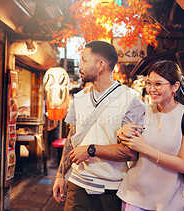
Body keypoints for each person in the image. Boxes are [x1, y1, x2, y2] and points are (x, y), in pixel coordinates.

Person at [52, 40, 145, 211]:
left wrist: (90, 150)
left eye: (84, 60)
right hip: (77, 184)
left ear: (100, 64)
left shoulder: (131, 101)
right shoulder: (79, 98)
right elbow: (72, 139)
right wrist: (60, 175)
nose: (80, 65)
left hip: (111, 190)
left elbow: (130, 152)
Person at [116, 60, 184, 211]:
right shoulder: (142, 111)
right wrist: (120, 133)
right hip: (134, 196)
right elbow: (128, 146)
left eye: (158, 84)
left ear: (175, 86)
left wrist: (145, 148)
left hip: (170, 200)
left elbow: (183, 165)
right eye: (149, 83)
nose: (152, 89)